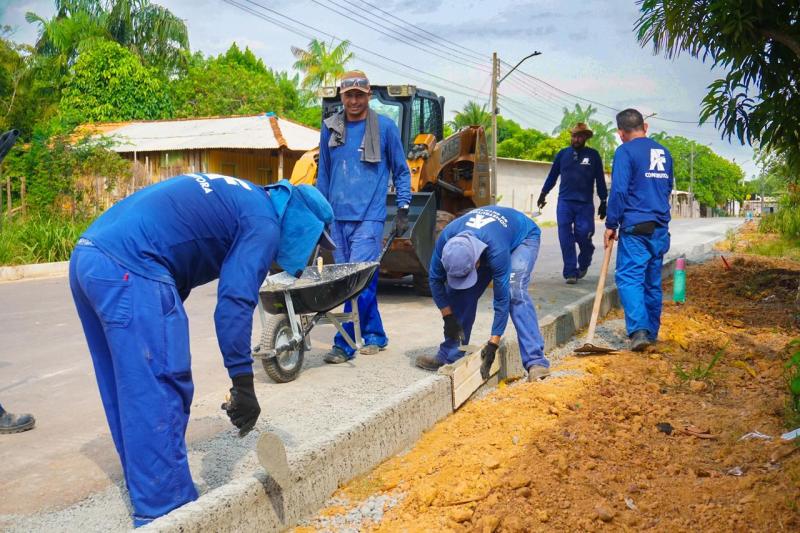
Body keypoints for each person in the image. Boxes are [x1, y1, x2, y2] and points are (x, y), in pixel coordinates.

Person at [69, 174, 334, 527]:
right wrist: (243, 384)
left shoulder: (244, 196)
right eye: (314, 241)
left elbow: (183, 250)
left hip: (90, 256)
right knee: (160, 388)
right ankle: (168, 512)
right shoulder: (264, 222)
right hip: (131, 266)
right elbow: (234, 304)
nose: (310, 252)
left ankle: (147, 487)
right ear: (301, 223)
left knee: (131, 387)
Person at [316, 70, 412, 363]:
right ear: (342, 97)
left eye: (360, 95)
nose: (354, 101)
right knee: (345, 280)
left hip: (369, 216)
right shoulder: (331, 128)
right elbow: (324, 174)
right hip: (337, 216)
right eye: (349, 96)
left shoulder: (384, 128)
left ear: (368, 96)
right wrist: (321, 213)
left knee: (356, 279)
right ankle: (374, 334)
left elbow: (401, 169)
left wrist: (404, 207)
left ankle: (343, 343)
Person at [415, 206, 550, 382]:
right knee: (460, 292)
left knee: (513, 290)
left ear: (477, 260)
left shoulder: (497, 250)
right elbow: (435, 281)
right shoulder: (445, 241)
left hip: (522, 238)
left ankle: (536, 362)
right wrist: (447, 317)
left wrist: (493, 343)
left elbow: (501, 300)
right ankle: (450, 354)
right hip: (489, 238)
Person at [604, 109, 673, 351]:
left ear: (620, 133)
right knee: (652, 282)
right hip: (660, 227)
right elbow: (667, 188)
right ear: (646, 126)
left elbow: (619, 191)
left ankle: (639, 331)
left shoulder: (625, 151)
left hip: (636, 226)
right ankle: (651, 333)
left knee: (629, 278)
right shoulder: (664, 152)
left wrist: (611, 224)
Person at [538, 123, 608, 284]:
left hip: (585, 204)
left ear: (585, 138)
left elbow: (600, 180)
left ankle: (585, 258)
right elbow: (552, 176)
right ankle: (570, 271)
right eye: (574, 136)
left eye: (579, 136)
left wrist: (604, 201)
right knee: (565, 237)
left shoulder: (593, 155)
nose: (575, 139)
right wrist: (543, 193)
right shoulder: (563, 154)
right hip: (565, 203)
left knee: (583, 235)